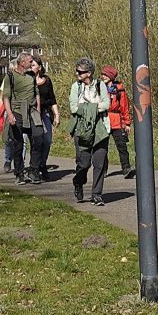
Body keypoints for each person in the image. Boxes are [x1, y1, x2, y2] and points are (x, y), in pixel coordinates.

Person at [69, 57, 110, 206]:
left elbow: (106, 104)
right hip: (82, 129)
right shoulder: (76, 87)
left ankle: (97, 194)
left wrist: (87, 108)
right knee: (84, 163)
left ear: (89, 72)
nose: (77, 73)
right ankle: (78, 183)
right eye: (77, 71)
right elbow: (74, 108)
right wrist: (94, 107)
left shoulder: (100, 85)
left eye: (81, 71)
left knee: (99, 163)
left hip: (100, 128)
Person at [0, 52, 44, 185]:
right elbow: (6, 97)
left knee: (38, 138)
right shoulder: (10, 76)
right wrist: (10, 114)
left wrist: (38, 112)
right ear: (22, 63)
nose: (32, 63)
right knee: (17, 144)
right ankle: (19, 173)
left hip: (32, 112)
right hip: (17, 111)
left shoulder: (31, 76)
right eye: (30, 61)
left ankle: (34, 171)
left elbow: (37, 95)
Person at [101, 65, 134, 178]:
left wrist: (127, 123)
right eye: (102, 74)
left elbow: (124, 107)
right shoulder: (99, 88)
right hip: (103, 120)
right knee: (102, 147)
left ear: (111, 76)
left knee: (122, 146)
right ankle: (103, 170)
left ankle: (126, 168)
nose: (103, 76)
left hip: (116, 121)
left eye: (105, 74)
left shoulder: (119, 90)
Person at [32, 57, 59, 180]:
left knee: (47, 140)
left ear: (40, 67)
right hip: (32, 114)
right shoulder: (28, 80)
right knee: (37, 141)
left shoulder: (47, 80)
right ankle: (35, 168)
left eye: (33, 65)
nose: (31, 67)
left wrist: (57, 115)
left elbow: (52, 98)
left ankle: (43, 163)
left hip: (45, 113)